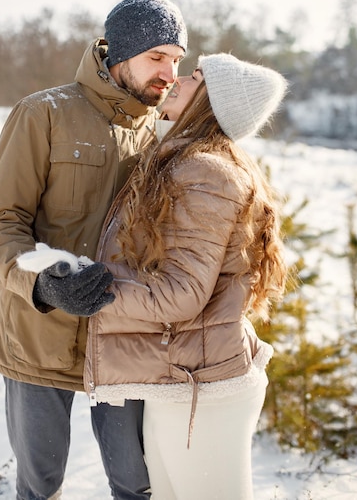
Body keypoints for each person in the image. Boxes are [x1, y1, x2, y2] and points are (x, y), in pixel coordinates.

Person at [0, 0, 188, 500]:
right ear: (120, 54)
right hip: (38, 335)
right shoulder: (43, 114)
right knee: (40, 485)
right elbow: (1, 222)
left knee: (137, 485)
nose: (170, 72)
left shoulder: (160, 137)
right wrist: (44, 284)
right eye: (157, 56)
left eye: (177, 60)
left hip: (120, 343)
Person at [81, 53, 289, 499]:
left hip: (204, 392)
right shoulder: (187, 160)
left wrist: (94, 289)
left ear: (211, 102)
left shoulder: (204, 172)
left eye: (195, 77)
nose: (178, 79)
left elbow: (181, 293)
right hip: (189, 378)